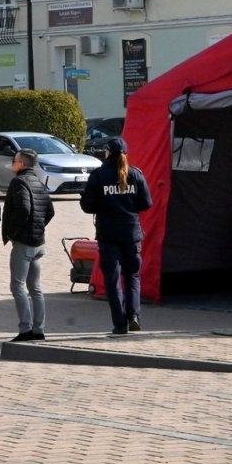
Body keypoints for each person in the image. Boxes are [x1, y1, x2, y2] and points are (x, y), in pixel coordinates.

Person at [80, 137, 153, 334]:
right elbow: (146, 203)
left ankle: (119, 323)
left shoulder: (98, 175)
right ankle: (134, 316)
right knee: (133, 275)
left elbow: (88, 206)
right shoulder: (136, 174)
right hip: (131, 233)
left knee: (112, 280)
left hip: (108, 234)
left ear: (107, 153)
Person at [2, 149, 55, 342]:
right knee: (35, 288)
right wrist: (39, 227)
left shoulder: (19, 182)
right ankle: (39, 329)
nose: (12, 163)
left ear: (22, 164)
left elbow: (24, 209)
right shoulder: (38, 181)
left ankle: (25, 329)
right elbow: (50, 211)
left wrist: (13, 233)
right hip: (39, 243)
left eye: (14, 160)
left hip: (24, 243)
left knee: (17, 285)